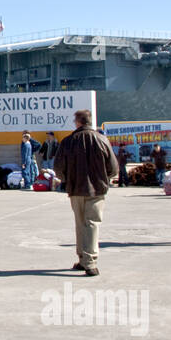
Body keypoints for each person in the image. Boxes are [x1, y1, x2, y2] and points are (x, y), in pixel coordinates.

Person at [53, 108, 118, 275]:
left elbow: (58, 168)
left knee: (80, 224)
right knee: (92, 224)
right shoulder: (102, 139)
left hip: (75, 189)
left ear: (78, 122)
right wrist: (105, 178)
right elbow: (114, 167)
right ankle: (89, 261)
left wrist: (66, 179)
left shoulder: (68, 141)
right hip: (97, 189)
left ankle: (84, 259)